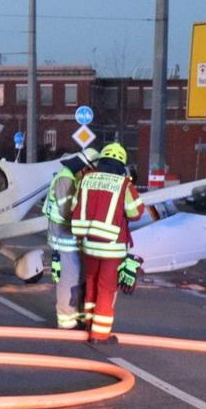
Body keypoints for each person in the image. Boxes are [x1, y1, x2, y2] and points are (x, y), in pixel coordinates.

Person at [70, 143, 145, 344]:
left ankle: (88, 323)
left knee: (91, 281)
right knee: (106, 288)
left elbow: (75, 206)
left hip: (88, 243)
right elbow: (136, 213)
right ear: (122, 164)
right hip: (112, 246)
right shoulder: (123, 184)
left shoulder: (86, 179)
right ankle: (100, 334)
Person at [42, 148, 98, 330]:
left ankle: (77, 315)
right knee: (69, 278)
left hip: (69, 235)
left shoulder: (71, 177)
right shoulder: (65, 179)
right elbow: (68, 211)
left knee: (78, 276)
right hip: (64, 236)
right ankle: (66, 320)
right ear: (85, 167)